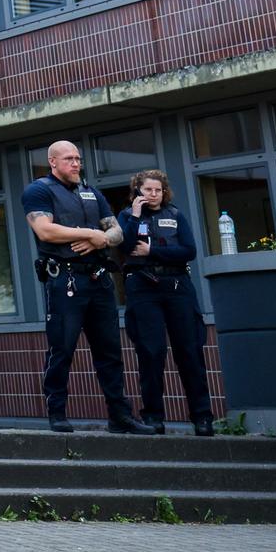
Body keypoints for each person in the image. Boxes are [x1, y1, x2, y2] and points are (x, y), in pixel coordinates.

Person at [23, 140, 156, 435]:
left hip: (98, 280)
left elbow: (117, 232)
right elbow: (45, 229)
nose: (75, 163)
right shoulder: (39, 190)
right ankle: (57, 413)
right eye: (68, 159)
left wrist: (102, 239)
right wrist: (93, 233)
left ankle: (120, 417)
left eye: (78, 159)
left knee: (110, 351)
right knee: (62, 349)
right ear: (53, 162)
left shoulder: (92, 192)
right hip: (65, 281)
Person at [119, 170, 216, 436]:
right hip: (142, 287)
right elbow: (125, 247)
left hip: (177, 286)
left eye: (157, 190)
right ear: (137, 191)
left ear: (164, 192)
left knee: (189, 351)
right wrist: (136, 217)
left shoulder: (175, 215)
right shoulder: (127, 216)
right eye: (147, 190)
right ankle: (152, 417)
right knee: (151, 352)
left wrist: (152, 252)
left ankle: (202, 417)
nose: (153, 194)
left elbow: (189, 251)